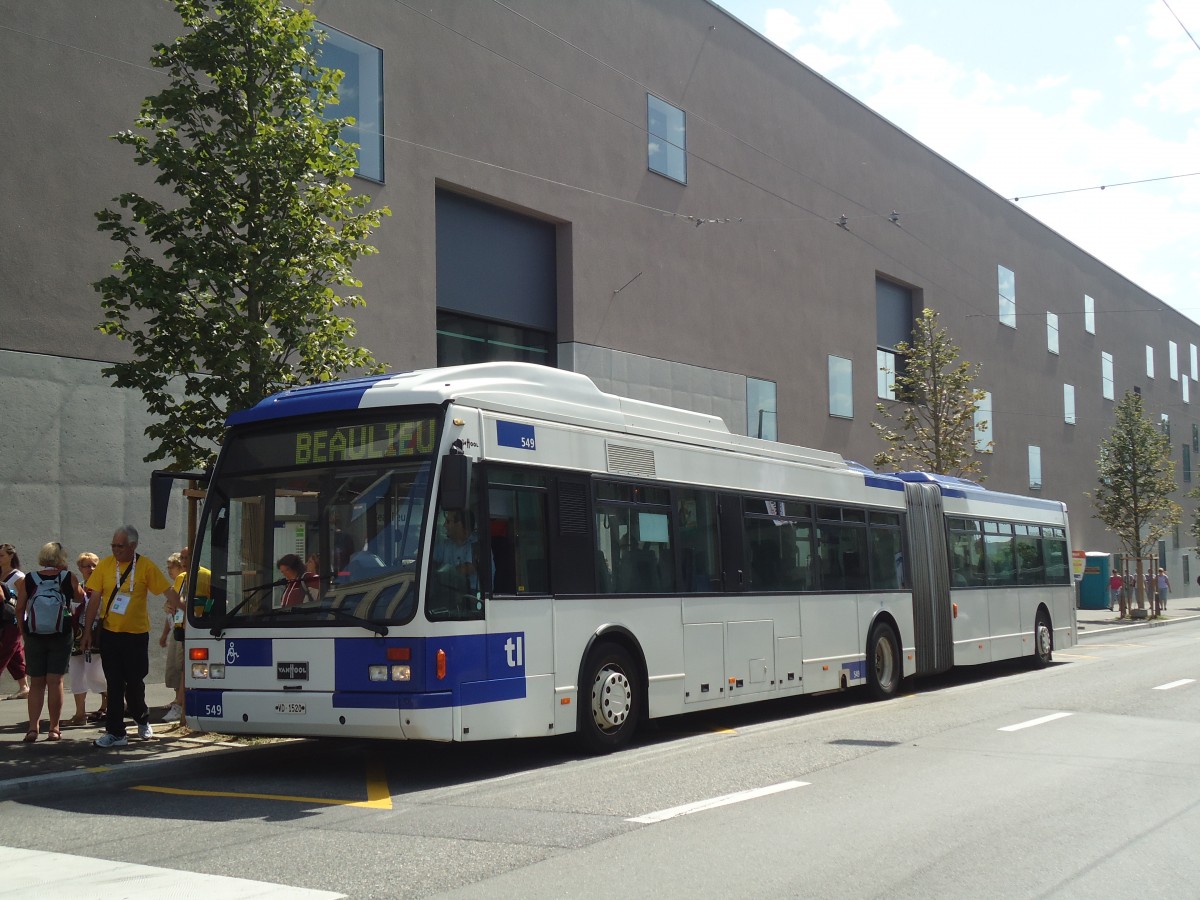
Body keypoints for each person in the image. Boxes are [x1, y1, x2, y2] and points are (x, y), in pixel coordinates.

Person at [81, 525, 179, 748]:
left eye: (120, 546)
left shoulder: (145, 566)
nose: (116, 550)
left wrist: (186, 609)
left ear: (133, 546)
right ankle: (116, 732)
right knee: (114, 683)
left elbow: (166, 591)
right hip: (110, 634)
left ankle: (141, 717)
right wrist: (87, 632)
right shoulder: (105, 565)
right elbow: (94, 599)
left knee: (134, 682)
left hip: (136, 635)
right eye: (113, 545)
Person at [14, 542, 83, 742]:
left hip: (35, 634)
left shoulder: (30, 578)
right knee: (56, 681)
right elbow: (80, 597)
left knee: (36, 683)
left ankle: (33, 728)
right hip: (61, 634)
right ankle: (54, 728)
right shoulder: (67, 577)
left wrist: (23, 630)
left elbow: (20, 607)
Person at [65, 552, 106, 726]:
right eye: (87, 565)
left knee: (97, 673)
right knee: (76, 674)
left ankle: (107, 706)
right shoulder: (78, 587)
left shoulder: (103, 587)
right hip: (76, 637)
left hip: (96, 636)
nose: (91, 569)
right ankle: (80, 714)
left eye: (94, 565)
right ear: (80, 568)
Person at [0, 543, 31, 700]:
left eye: (2, 556)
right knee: (15, 654)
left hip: (14, 620)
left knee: (4, 652)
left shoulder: (18, 576)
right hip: (2, 620)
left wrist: (26, 621)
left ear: (11, 556)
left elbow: (26, 598)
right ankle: (24, 687)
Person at [158, 553, 186, 723]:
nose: (169, 571)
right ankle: (177, 698)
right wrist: (164, 634)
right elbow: (170, 614)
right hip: (175, 627)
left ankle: (180, 703)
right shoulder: (176, 584)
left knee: (181, 665)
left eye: (171, 567)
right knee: (174, 667)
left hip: (184, 628)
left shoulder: (185, 581)